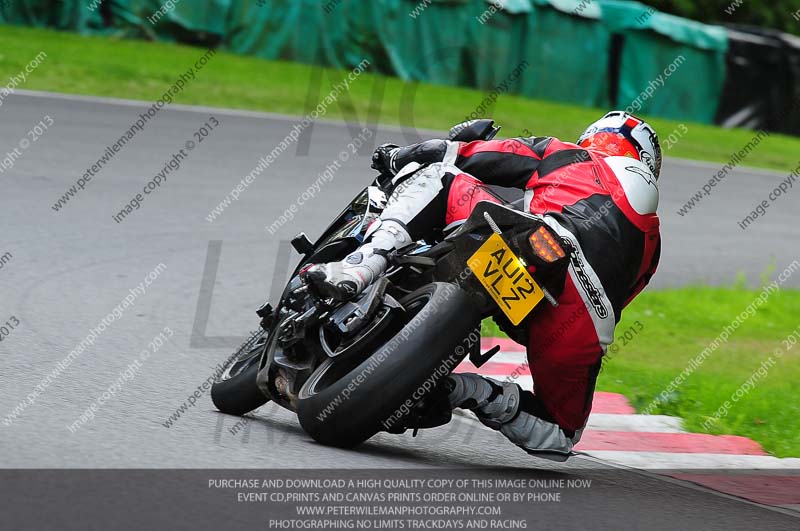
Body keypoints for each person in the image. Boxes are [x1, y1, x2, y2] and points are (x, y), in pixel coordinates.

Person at [302, 111, 662, 461]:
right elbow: (620, 299)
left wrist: (401, 155)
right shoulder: (653, 243)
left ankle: (362, 266)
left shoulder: (569, 154)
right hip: (578, 320)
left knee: (441, 177)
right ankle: (469, 391)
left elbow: (473, 156)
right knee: (560, 434)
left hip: (533, 240)